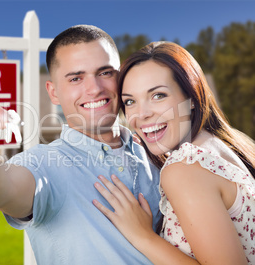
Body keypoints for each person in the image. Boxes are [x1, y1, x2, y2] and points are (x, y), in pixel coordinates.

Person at [0, 25, 161, 264]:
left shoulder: (155, 152)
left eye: (105, 72)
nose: (95, 88)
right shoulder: (44, 163)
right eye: (76, 78)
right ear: (54, 92)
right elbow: (1, 190)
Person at [93, 41, 255, 265]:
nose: (141, 115)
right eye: (130, 101)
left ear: (190, 97)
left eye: (158, 95)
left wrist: (143, 236)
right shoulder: (223, 145)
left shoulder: (185, 168)